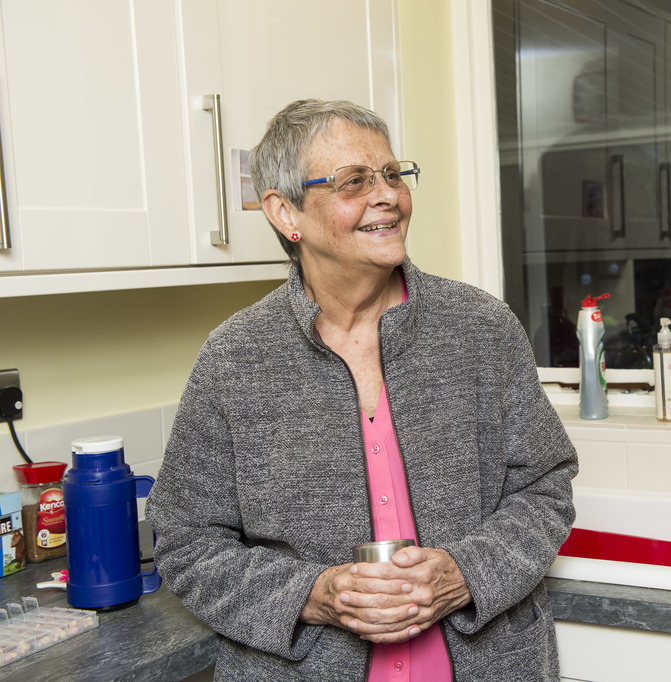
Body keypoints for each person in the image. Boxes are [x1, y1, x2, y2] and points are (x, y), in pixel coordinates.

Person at [147, 99, 578, 681]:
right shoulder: (234, 358)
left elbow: (545, 486)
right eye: (355, 181)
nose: (388, 197)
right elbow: (186, 541)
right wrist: (314, 593)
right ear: (284, 212)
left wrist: (464, 573)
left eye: (393, 175)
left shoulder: (480, 328)